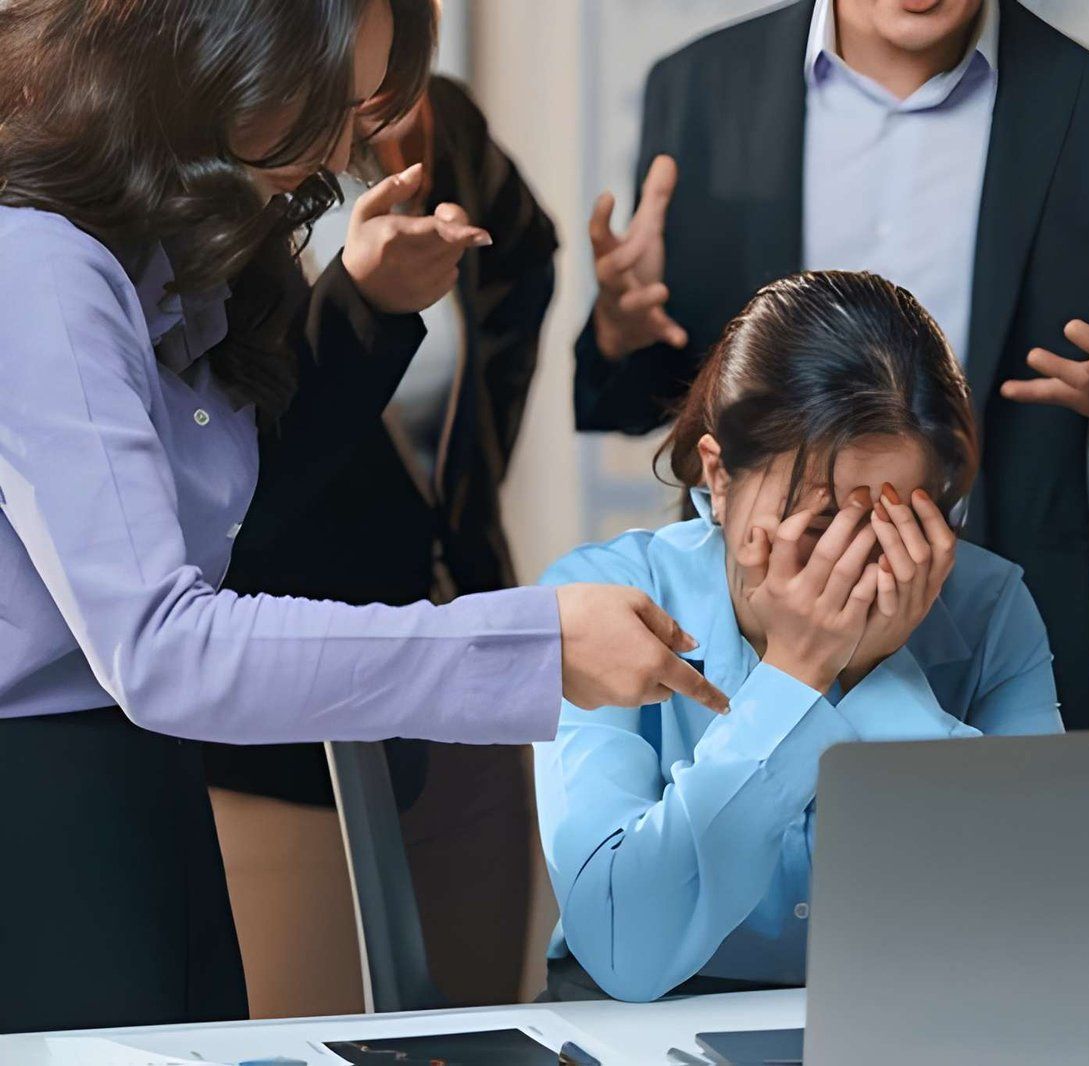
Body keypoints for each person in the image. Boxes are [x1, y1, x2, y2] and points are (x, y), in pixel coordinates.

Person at [0, 0, 724, 1034]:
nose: (343, 149)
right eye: (327, 103)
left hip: (141, 784)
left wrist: (366, 307)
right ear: (216, 52)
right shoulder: (43, 266)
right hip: (50, 809)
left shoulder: (176, 254)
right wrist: (533, 643)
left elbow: (243, 506)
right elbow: (163, 643)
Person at [573, 0, 1089, 729]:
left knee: (1019, 843)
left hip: (1007, 629)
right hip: (745, 621)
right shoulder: (700, 87)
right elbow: (661, 403)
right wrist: (621, 333)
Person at [537, 271, 1065, 1003]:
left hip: (904, 1021)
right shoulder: (604, 604)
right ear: (719, 477)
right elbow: (626, 949)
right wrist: (796, 680)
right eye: (819, 525)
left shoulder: (988, 607)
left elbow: (1037, 921)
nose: (853, 564)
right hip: (642, 1024)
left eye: (896, 525)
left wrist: (876, 673)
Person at [202, 72, 561, 1011]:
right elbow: (240, 484)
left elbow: (525, 261)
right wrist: (364, 304)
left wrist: (459, 499)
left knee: (482, 1029)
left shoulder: (444, 120)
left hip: (463, 659)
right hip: (291, 711)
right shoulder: (205, 144)